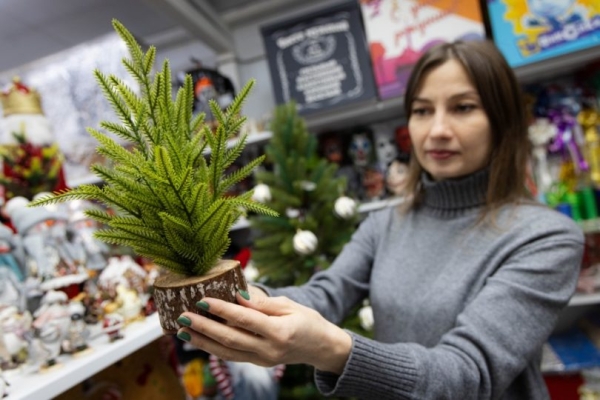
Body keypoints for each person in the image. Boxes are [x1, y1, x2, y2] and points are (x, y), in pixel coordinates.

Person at [174, 40, 584, 399]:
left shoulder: (545, 238)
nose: (437, 130)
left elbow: (467, 376)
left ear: (503, 121)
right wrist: (249, 301)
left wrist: (332, 349)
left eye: (463, 108)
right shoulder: (386, 224)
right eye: (422, 111)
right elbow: (326, 293)